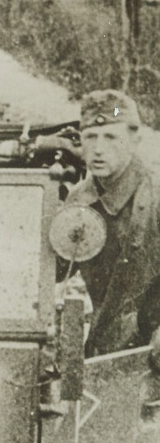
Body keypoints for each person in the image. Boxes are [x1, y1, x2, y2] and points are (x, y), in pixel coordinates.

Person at [60, 89, 160, 357]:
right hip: (105, 348)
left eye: (111, 137)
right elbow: (56, 270)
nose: (99, 149)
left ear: (134, 140)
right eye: (90, 137)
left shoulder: (156, 196)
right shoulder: (79, 198)